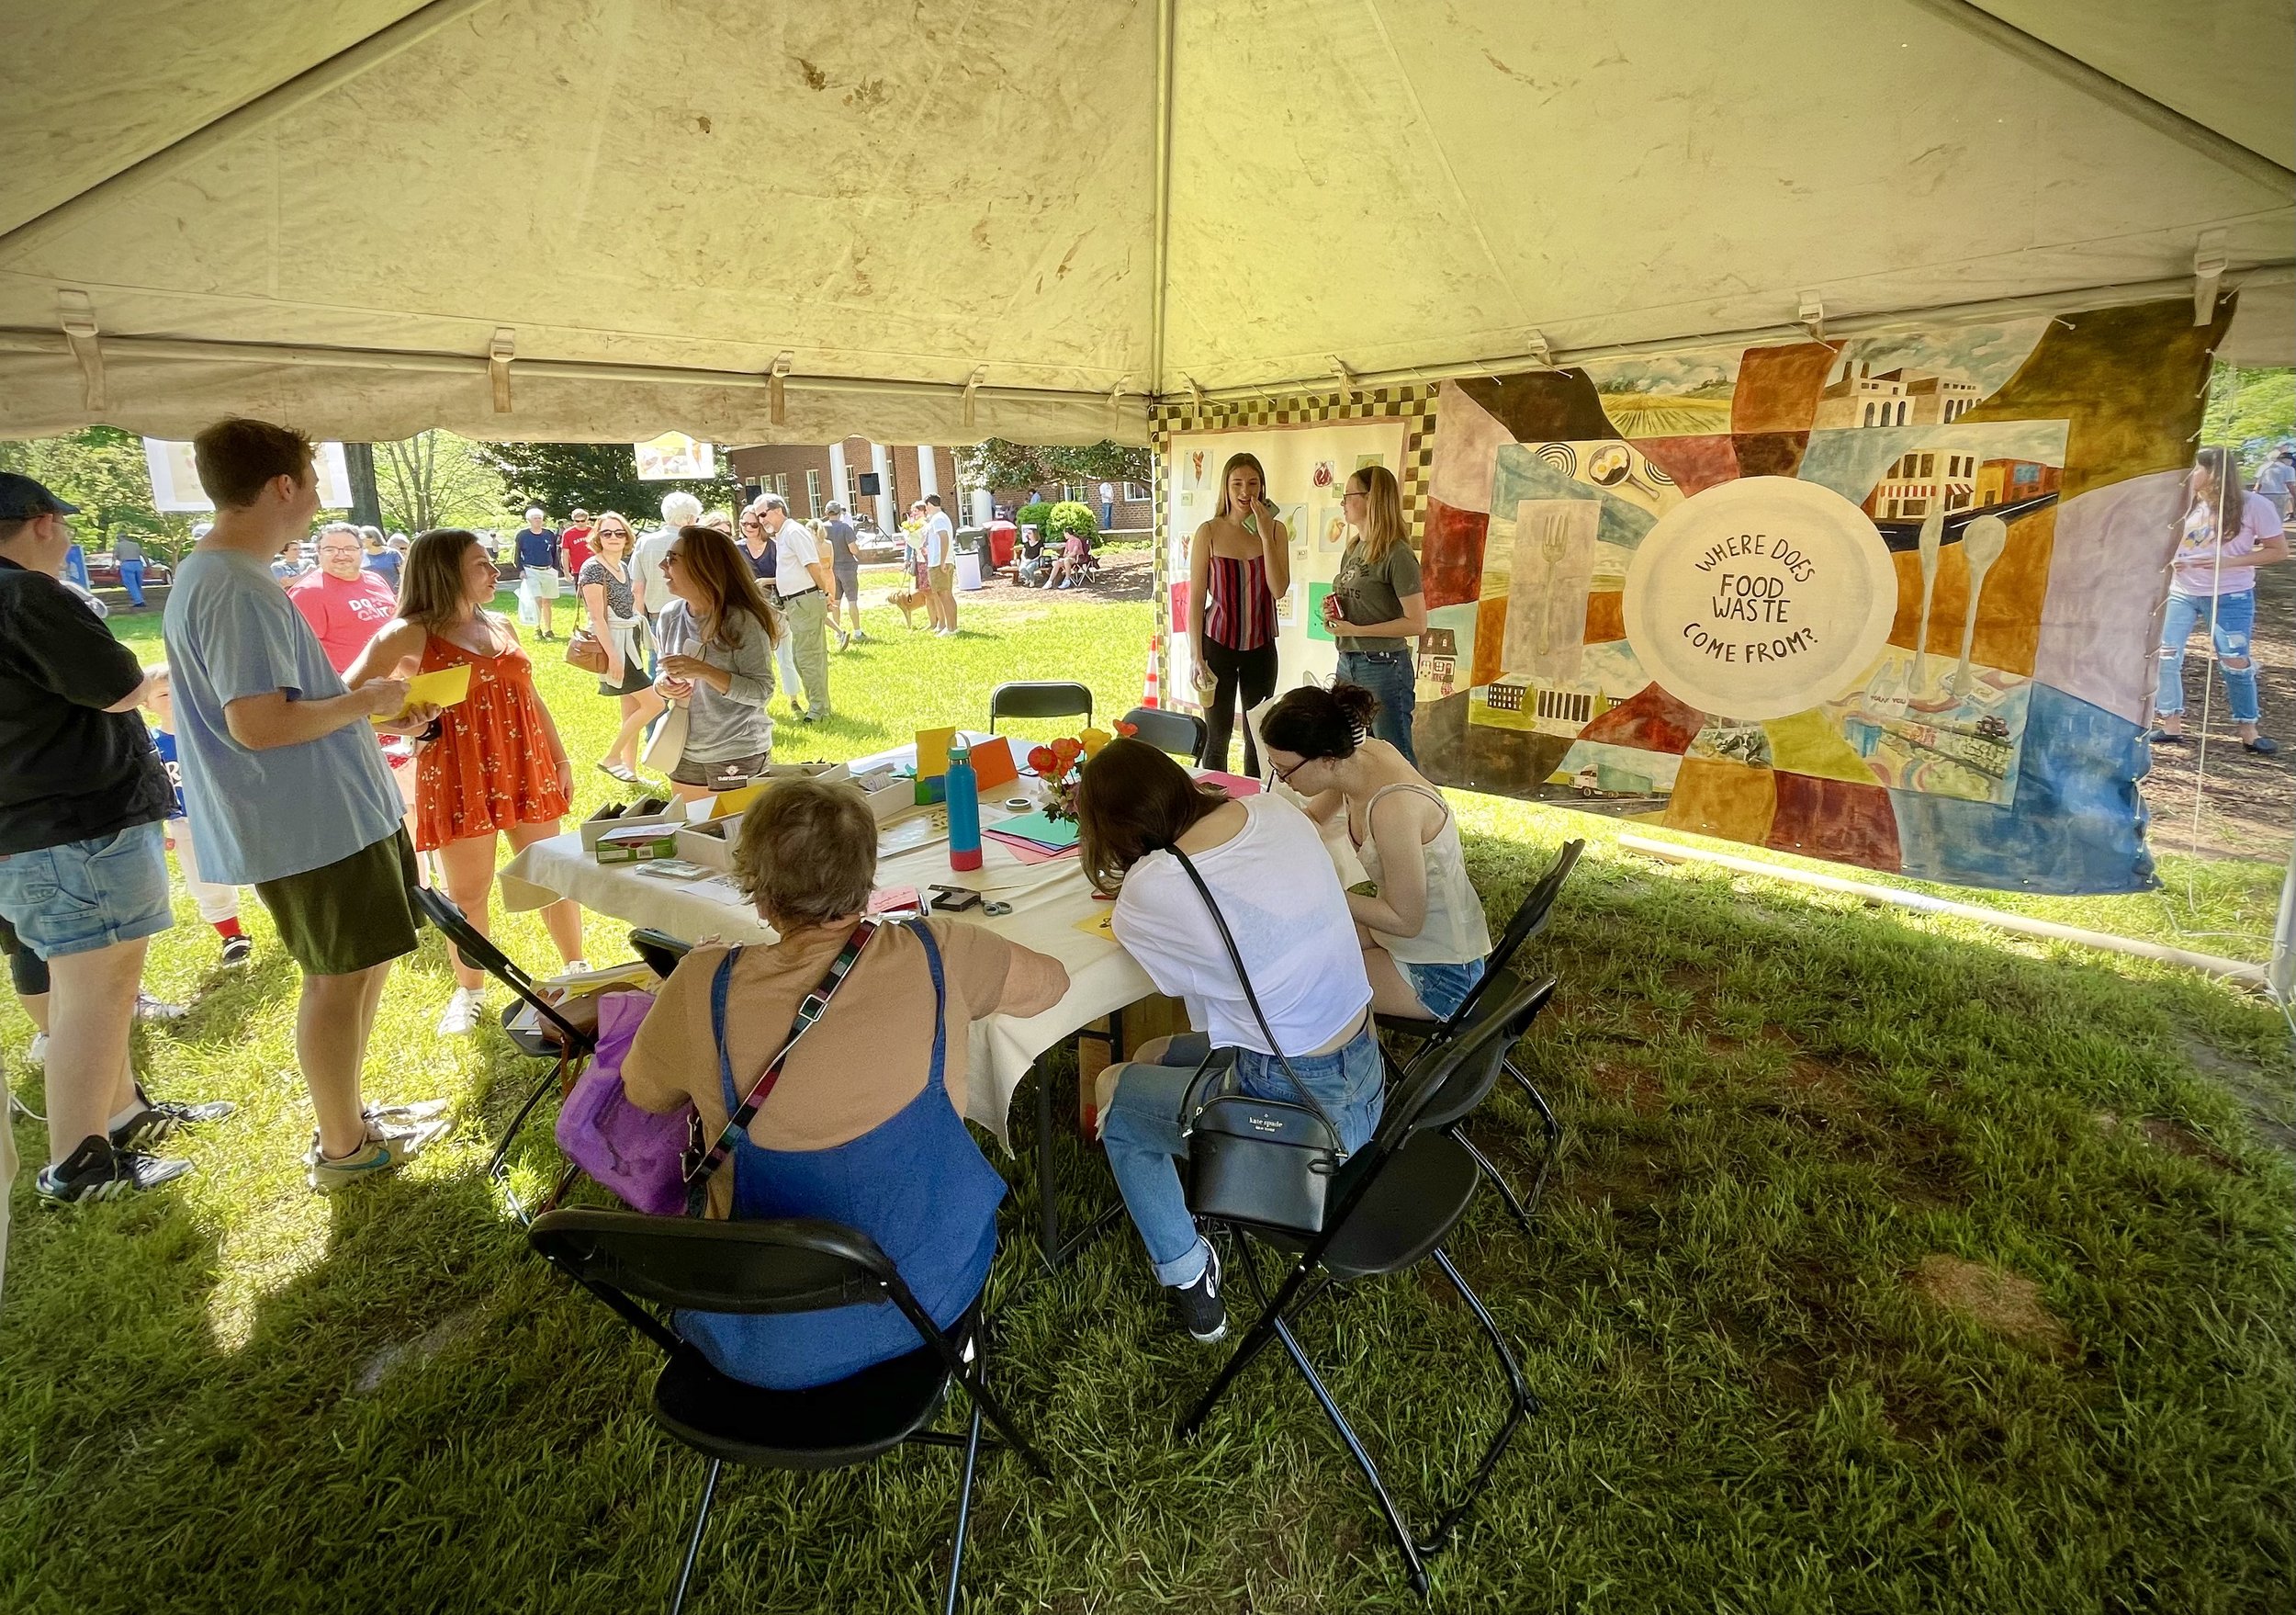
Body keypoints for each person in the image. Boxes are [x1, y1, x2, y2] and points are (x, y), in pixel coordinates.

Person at [621, 778, 1068, 1389]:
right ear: (867, 874)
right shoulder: (937, 949)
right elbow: (1050, 984)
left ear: (759, 892)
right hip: (931, 1295)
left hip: (761, 1340)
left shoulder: (703, 984)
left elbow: (645, 1095)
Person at [162, 418, 447, 1191]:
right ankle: (344, 1147)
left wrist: (374, 705)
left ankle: (349, 1120)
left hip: (331, 816)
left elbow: (290, 704)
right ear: (283, 486)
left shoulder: (232, 574)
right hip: (307, 826)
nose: (319, 505)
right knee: (336, 979)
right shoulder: (230, 583)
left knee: (360, 964)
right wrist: (366, 702)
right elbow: (256, 723)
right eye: (314, 485)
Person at [1075, 737, 1379, 1343]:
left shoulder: (1150, 888)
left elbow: (1167, 984)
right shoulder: (1270, 809)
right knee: (1153, 1055)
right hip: (1366, 1074)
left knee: (1115, 1090)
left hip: (1303, 1129)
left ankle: (1191, 1278)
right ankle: (1195, 1194)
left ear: (1107, 828)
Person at [0, 472, 233, 1202]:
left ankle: (124, 1115)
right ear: (39, 523)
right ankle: (78, 1161)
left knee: (97, 988)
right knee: (95, 995)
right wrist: (162, 674)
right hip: (75, 829)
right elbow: (114, 685)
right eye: (62, 524)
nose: (68, 538)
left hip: (41, 827)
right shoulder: (26, 596)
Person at [347, 529, 587, 1034]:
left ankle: (577, 969)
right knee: (469, 890)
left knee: (552, 873)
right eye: (481, 564)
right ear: (445, 572)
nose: (495, 571)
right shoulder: (407, 634)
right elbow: (345, 699)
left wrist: (560, 759)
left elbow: (532, 697)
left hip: (525, 763)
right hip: (459, 771)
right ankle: (470, 991)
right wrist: (399, 723)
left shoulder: (501, 624)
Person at [1260, 682, 1490, 1018]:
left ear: (1326, 759)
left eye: (1284, 771)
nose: (1282, 780)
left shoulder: (1392, 808)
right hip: (1411, 940)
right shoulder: (1360, 760)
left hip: (1442, 972)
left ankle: (1348, 1066)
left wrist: (1316, 891)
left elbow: (1405, 919)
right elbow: (1312, 819)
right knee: (1292, 944)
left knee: (1295, 982)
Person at [2153, 446, 2288, 755]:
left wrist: (2224, 562)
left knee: (2234, 660)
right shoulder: (2185, 504)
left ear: (2213, 472)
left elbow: (2278, 551)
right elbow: (2170, 545)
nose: (2189, 475)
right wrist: (2173, 560)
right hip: (2182, 592)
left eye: (2195, 469)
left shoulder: (2254, 505)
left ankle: (2249, 731)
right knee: (2166, 655)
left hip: (2231, 594)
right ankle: (2171, 724)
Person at [653, 524, 782, 799]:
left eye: (672, 559)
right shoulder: (669, 615)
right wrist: (664, 686)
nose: (662, 566)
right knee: (692, 834)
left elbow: (762, 691)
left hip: (737, 752)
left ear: (704, 566)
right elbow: (661, 674)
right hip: (683, 749)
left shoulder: (742, 620)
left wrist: (704, 671)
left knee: (737, 837)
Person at [144, 670, 254, 968]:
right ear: (146, 704)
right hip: (185, 823)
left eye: (178, 690)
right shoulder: (151, 744)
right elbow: (152, 788)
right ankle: (232, 936)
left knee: (259, 869)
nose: (173, 698)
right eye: (163, 695)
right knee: (205, 882)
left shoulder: (211, 729)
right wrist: (161, 824)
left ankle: (288, 920)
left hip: (229, 815)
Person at [1191, 453, 1289, 777]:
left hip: (1261, 647)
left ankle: (1254, 806)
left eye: (1252, 483)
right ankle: (1214, 804)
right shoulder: (1208, 531)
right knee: (1216, 734)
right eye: (1237, 484)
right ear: (1226, 489)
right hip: (1217, 645)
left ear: (1262, 487)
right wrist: (1196, 656)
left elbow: (1278, 589)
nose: (1245, 491)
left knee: (1256, 734)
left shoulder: (1276, 531)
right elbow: (1194, 599)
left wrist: (1264, 534)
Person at [1322, 465, 1426, 763]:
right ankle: (1366, 809)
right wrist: (1334, 609)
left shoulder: (1397, 554)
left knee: (1395, 756)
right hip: (1348, 663)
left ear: (1371, 498)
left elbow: (1417, 623)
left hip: (1383, 667)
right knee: (1353, 753)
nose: (1343, 503)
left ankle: (1417, 809)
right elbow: (1359, 601)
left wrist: (1355, 630)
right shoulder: (1354, 547)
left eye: (1349, 495)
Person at [575, 513, 663, 784]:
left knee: (631, 709)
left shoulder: (623, 566)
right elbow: (597, 617)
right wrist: (613, 655)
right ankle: (611, 757)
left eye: (619, 533)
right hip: (614, 643)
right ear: (597, 538)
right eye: (607, 533)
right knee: (655, 703)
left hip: (631, 639)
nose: (613, 538)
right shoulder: (593, 568)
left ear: (627, 537)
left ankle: (630, 772)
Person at [289, 523, 400, 672]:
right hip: (348, 687)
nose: (341, 555)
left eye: (349, 549)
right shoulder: (307, 593)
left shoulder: (376, 579)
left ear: (362, 551)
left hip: (393, 680)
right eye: (330, 550)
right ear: (319, 552)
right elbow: (295, 653)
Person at [764, 493, 834, 719]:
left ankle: (819, 711)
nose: (761, 519)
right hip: (796, 602)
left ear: (778, 511)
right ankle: (817, 707)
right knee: (800, 657)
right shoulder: (784, 534)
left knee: (808, 657)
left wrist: (824, 593)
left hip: (805, 600)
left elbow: (813, 566)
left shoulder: (794, 532)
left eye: (763, 514)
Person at [631, 490, 703, 642]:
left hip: (656, 612)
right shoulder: (695, 543)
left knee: (657, 660)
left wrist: (640, 617)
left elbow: (637, 587)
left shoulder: (644, 542)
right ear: (690, 518)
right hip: (692, 612)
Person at [512, 505, 563, 640]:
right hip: (531, 570)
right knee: (537, 600)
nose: (538, 521)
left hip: (547, 570)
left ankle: (548, 629)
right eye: (535, 518)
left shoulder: (549, 534)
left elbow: (554, 553)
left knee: (547, 601)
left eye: (540, 518)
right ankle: (537, 628)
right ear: (529, 520)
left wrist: (555, 569)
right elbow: (517, 553)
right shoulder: (522, 535)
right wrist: (520, 570)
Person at [823, 502, 864, 644]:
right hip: (847, 567)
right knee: (852, 600)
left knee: (835, 602)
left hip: (831, 569)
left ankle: (837, 632)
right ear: (839, 513)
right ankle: (857, 632)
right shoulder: (845, 528)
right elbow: (853, 549)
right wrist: (859, 550)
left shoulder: (823, 528)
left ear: (826, 513)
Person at [921, 493, 961, 636]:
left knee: (944, 595)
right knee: (946, 594)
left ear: (929, 505)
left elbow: (943, 537)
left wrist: (942, 560)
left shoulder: (938, 518)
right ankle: (952, 627)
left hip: (939, 562)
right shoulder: (942, 517)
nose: (925, 509)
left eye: (925, 506)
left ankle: (951, 629)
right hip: (942, 560)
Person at [112, 531, 150, 610]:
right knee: (138, 583)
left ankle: (139, 601)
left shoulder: (118, 545)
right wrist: (148, 564)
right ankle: (139, 599)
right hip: (138, 564)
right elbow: (144, 554)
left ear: (119, 538)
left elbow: (115, 556)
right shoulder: (135, 545)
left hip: (126, 564)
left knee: (131, 584)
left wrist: (113, 565)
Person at [2256, 446, 2295, 521]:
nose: (2291, 463)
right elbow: (2290, 485)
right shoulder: (2289, 469)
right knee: (2278, 518)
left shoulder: (2263, 467)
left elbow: (2258, 483)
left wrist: (2255, 494)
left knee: (2265, 517)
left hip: (2263, 494)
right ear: (2287, 460)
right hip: (2280, 495)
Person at [360, 526, 401, 592]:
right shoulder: (361, 555)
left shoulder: (392, 554)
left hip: (393, 593)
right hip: (371, 594)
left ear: (373, 539)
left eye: (362, 539)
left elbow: (404, 574)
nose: (359, 542)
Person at [561, 508, 595, 578]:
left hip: (595, 567)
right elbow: (565, 554)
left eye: (582, 521)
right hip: (578, 569)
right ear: (574, 521)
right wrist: (566, 572)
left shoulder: (594, 531)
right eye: (577, 521)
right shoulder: (568, 533)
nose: (580, 523)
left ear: (587, 520)